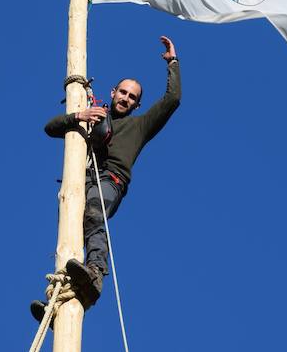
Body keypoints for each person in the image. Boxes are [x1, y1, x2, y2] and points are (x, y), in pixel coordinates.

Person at [31, 35, 181, 319]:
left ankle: (96, 274)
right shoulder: (94, 117)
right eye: (123, 92)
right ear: (113, 92)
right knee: (71, 229)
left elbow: (172, 100)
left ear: (137, 105)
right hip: (81, 180)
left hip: (110, 182)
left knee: (93, 213)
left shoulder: (139, 126)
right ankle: (60, 306)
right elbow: (50, 128)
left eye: (132, 97)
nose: (126, 98)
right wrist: (78, 117)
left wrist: (172, 62)